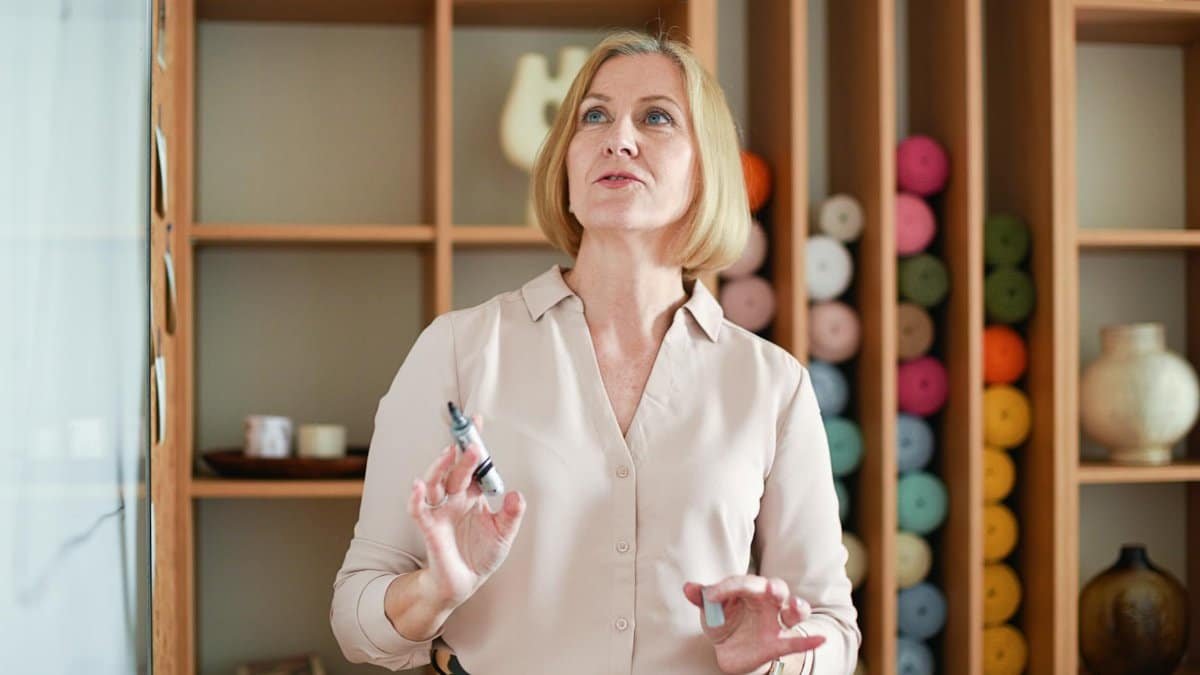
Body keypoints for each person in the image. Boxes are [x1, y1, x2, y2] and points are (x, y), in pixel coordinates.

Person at [331, 29, 859, 675]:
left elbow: (834, 628)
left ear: (708, 168)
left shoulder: (771, 382)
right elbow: (356, 618)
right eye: (595, 116)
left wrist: (774, 660)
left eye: (656, 117)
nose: (619, 138)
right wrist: (434, 590)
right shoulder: (458, 349)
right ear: (567, 161)